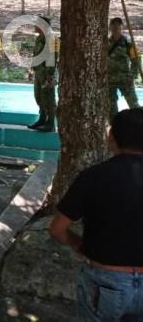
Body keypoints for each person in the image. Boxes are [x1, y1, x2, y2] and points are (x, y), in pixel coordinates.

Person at [49, 109, 143, 322]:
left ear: (111, 136)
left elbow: (57, 229)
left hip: (107, 281)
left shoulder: (93, 176)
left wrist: (77, 244)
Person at [27, 15, 58, 132]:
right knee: (39, 97)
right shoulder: (40, 38)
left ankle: (50, 123)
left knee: (49, 98)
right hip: (39, 73)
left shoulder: (51, 38)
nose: (35, 26)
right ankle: (42, 119)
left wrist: (50, 76)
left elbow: (52, 58)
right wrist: (32, 69)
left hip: (47, 74)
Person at [108, 17, 140, 123]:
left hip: (125, 80)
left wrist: (132, 75)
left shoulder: (128, 43)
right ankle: (115, 129)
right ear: (110, 27)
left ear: (122, 27)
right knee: (111, 109)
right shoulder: (105, 43)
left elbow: (136, 61)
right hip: (110, 81)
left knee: (134, 106)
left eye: (118, 25)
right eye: (114, 25)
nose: (116, 28)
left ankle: (139, 126)